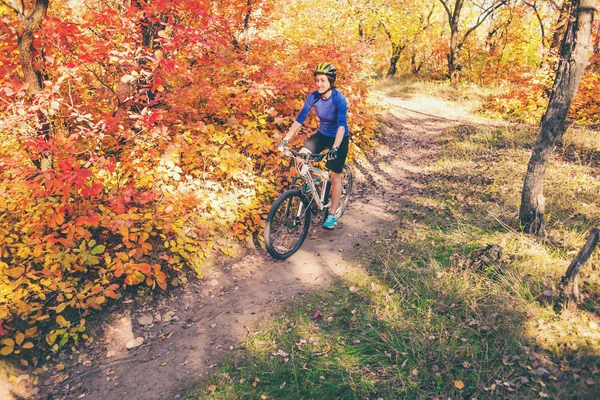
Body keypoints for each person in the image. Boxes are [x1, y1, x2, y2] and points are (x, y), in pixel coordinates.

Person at [278, 62, 350, 230]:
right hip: (322, 135)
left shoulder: (339, 99)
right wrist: (286, 139)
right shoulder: (313, 97)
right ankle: (314, 179)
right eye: (317, 80)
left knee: (335, 176)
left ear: (331, 81)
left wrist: (335, 148)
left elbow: (341, 125)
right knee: (300, 157)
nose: (319, 84)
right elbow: (300, 119)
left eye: (323, 80)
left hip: (339, 138)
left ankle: (332, 214)